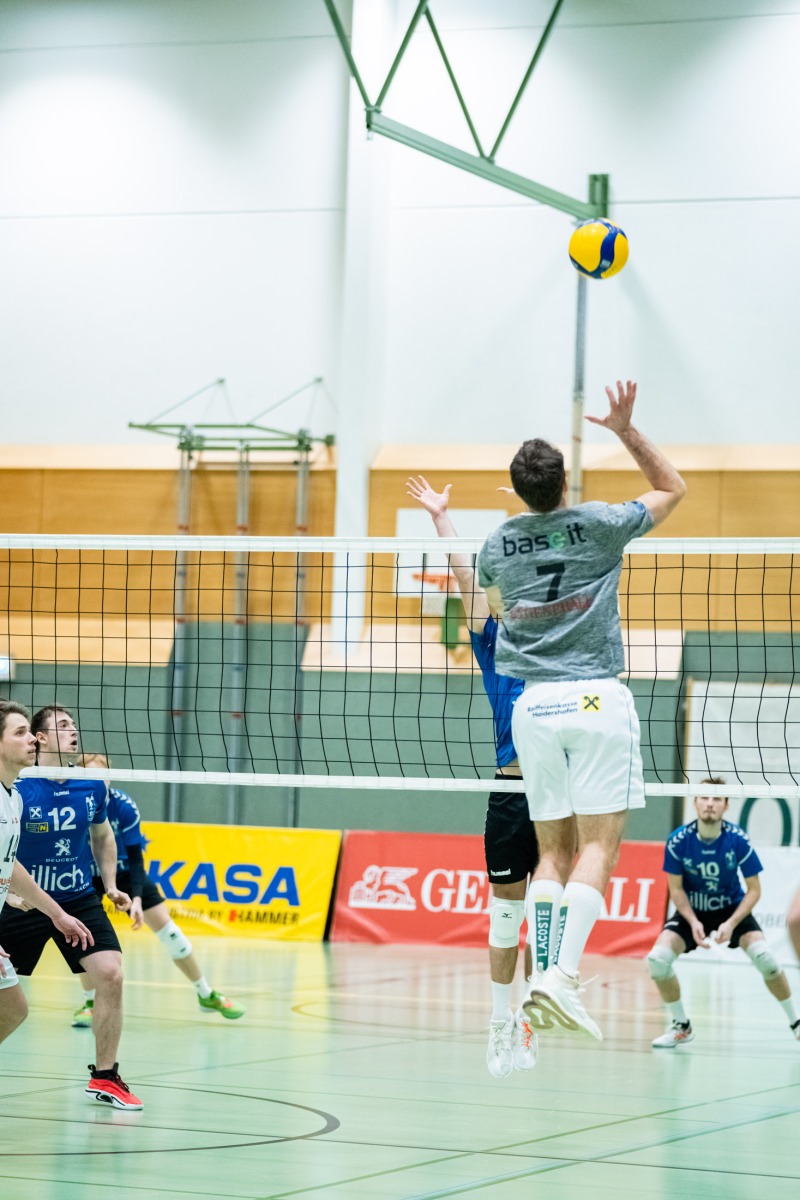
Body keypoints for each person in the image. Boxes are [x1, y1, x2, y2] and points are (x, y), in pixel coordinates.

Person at [477, 379, 686, 1041]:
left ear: (519, 490)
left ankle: (544, 977)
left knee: (552, 854)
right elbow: (673, 487)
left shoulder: (495, 545)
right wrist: (625, 430)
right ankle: (560, 977)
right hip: (595, 696)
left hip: (534, 707)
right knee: (599, 845)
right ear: (564, 481)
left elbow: (494, 607)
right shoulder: (598, 523)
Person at [406, 476, 540, 1078]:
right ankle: (498, 1021)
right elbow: (465, 576)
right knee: (507, 914)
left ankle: (532, 1015)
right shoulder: (494, 640)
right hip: (512, 789)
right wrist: (441, 518)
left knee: (548, 915)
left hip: (558, 794)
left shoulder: (563, 646)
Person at [0, 705, 143, 1109]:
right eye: (62, 726)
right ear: (42, 737)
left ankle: (105, 1077)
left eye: (74, 724)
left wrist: (110, 886)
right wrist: (8, 893)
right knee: (12, 1007)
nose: (73, 730)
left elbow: (103, 836)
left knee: (110, 973)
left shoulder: (90, 784)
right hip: (20, 904)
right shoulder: (19, 786)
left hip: (73, 898)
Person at [69, 753, 244, 1025]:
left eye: (103, 775)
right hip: (86, 873)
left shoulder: (123, 806)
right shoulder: (72, 803)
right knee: (81, 935)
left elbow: (136, 858)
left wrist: (137, 898)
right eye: (90, 775)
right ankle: (90, 1002)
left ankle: (206, 994)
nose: (99, 781)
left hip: (124, 872)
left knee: (171, 933)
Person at [647, 779, 800, 1047]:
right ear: (695, 802)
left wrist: (731, 923)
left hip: (731, 909)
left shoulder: (737, 840)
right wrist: (693, 921)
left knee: (766, 959)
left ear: (726, 806)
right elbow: (676, 889)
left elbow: (754, 890)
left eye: (717, 799)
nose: (710, 803)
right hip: (692, 910)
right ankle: (681, 1025)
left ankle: (796, 1022)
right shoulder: (678, 841)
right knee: (657, 960)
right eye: (705, 797)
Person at [1, 700, 96, 1059]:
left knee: (13, 1009)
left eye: (30, 732)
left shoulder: (13, 798)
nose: (32, 740)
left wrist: (56, 913)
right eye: (20, 733)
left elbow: (10, 865)